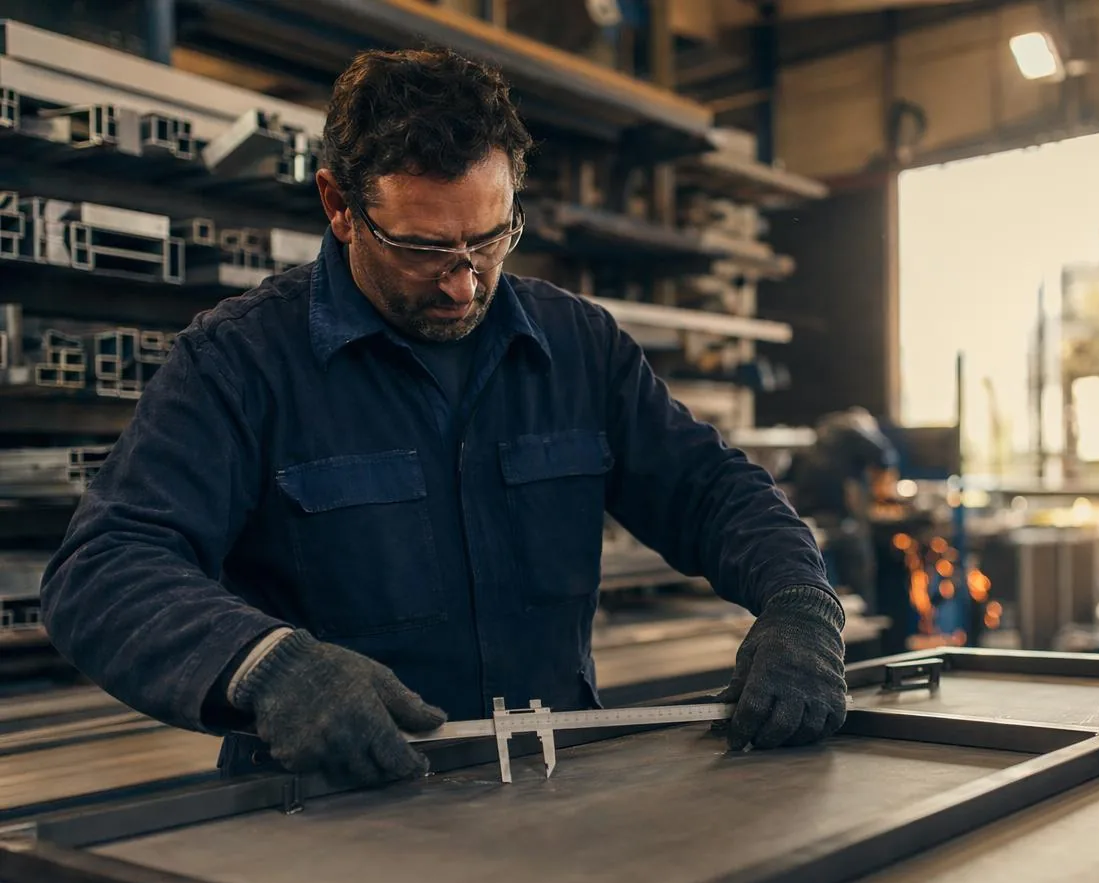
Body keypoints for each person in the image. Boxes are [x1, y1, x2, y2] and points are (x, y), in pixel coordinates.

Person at [39, 48, 847, 788]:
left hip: (551, 795)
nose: (463, 284)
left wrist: (800, 603)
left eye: (490, 241)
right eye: (424, 250)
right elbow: (105, 569)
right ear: (340, 206)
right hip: (326, 814)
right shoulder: (240, 364)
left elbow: (709, 489)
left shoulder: (575, 347)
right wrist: (268, 667)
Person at [783, 408, 898, 607]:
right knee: (859, 583)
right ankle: (864, 623)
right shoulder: (857, 431)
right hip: (841, 520)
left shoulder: (821, 433)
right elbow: (885, 457)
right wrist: (882, 493)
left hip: (808, 520)